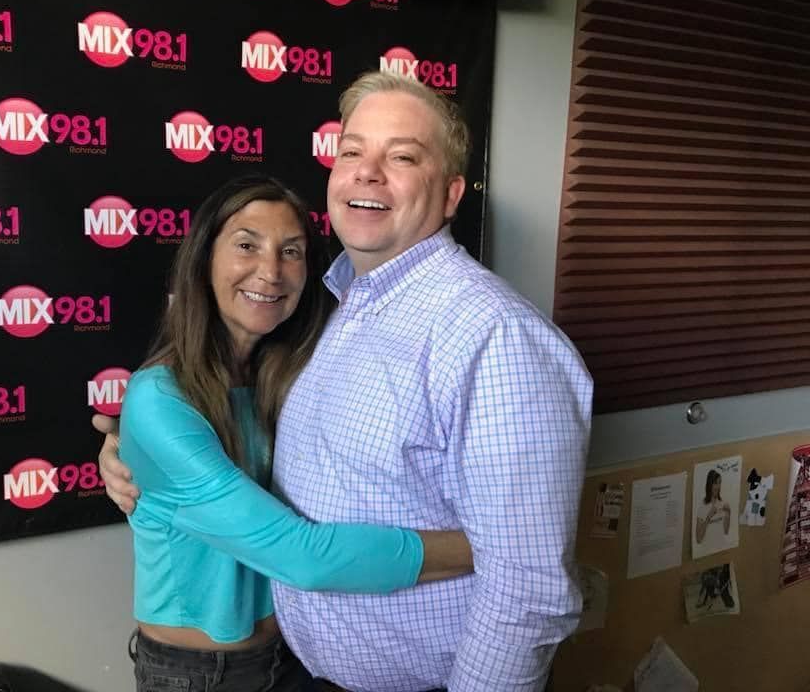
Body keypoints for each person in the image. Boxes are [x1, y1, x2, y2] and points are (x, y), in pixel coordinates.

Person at [99, 72, 593, 692]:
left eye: (403, 157)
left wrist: (500, 552)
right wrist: (127, 452)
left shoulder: (494, 335)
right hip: (292, 671)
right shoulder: (333, 320)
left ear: (451, 195)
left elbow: (528, 591)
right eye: (352, 151)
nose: (368, 172)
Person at [112, 174, 474, 692]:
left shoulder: (292, 374)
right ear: (204, 259)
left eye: (291, 251)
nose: (270, 271)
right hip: (200, 676)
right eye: (246, 246)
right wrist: (486, 547)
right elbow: (299, 554)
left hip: (298, 655)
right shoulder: (160, 398)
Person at [695, 470, 731, 544]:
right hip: (708, 548)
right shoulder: (702, 506)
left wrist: (728, 514)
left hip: (721, 546)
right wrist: (708, 517)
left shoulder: (722, 503)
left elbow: (726, 532)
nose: (718, 486)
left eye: (719, 483)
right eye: (715, 483)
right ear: (709, 484)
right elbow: (698, 539)